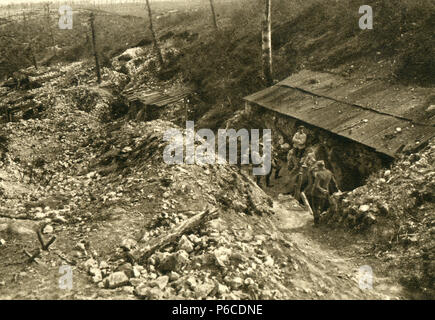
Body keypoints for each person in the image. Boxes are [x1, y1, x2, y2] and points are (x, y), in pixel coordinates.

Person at [311, 160, 333, 226]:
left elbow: (316, 185)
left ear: (319, 166)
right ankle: (321, 221)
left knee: (316, 207)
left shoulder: (319, 174)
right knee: (321, 207)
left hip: (316, 193)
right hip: (325, 193)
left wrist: (321, 190)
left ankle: (316, 223)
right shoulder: (329, 172)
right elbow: (330, 183)